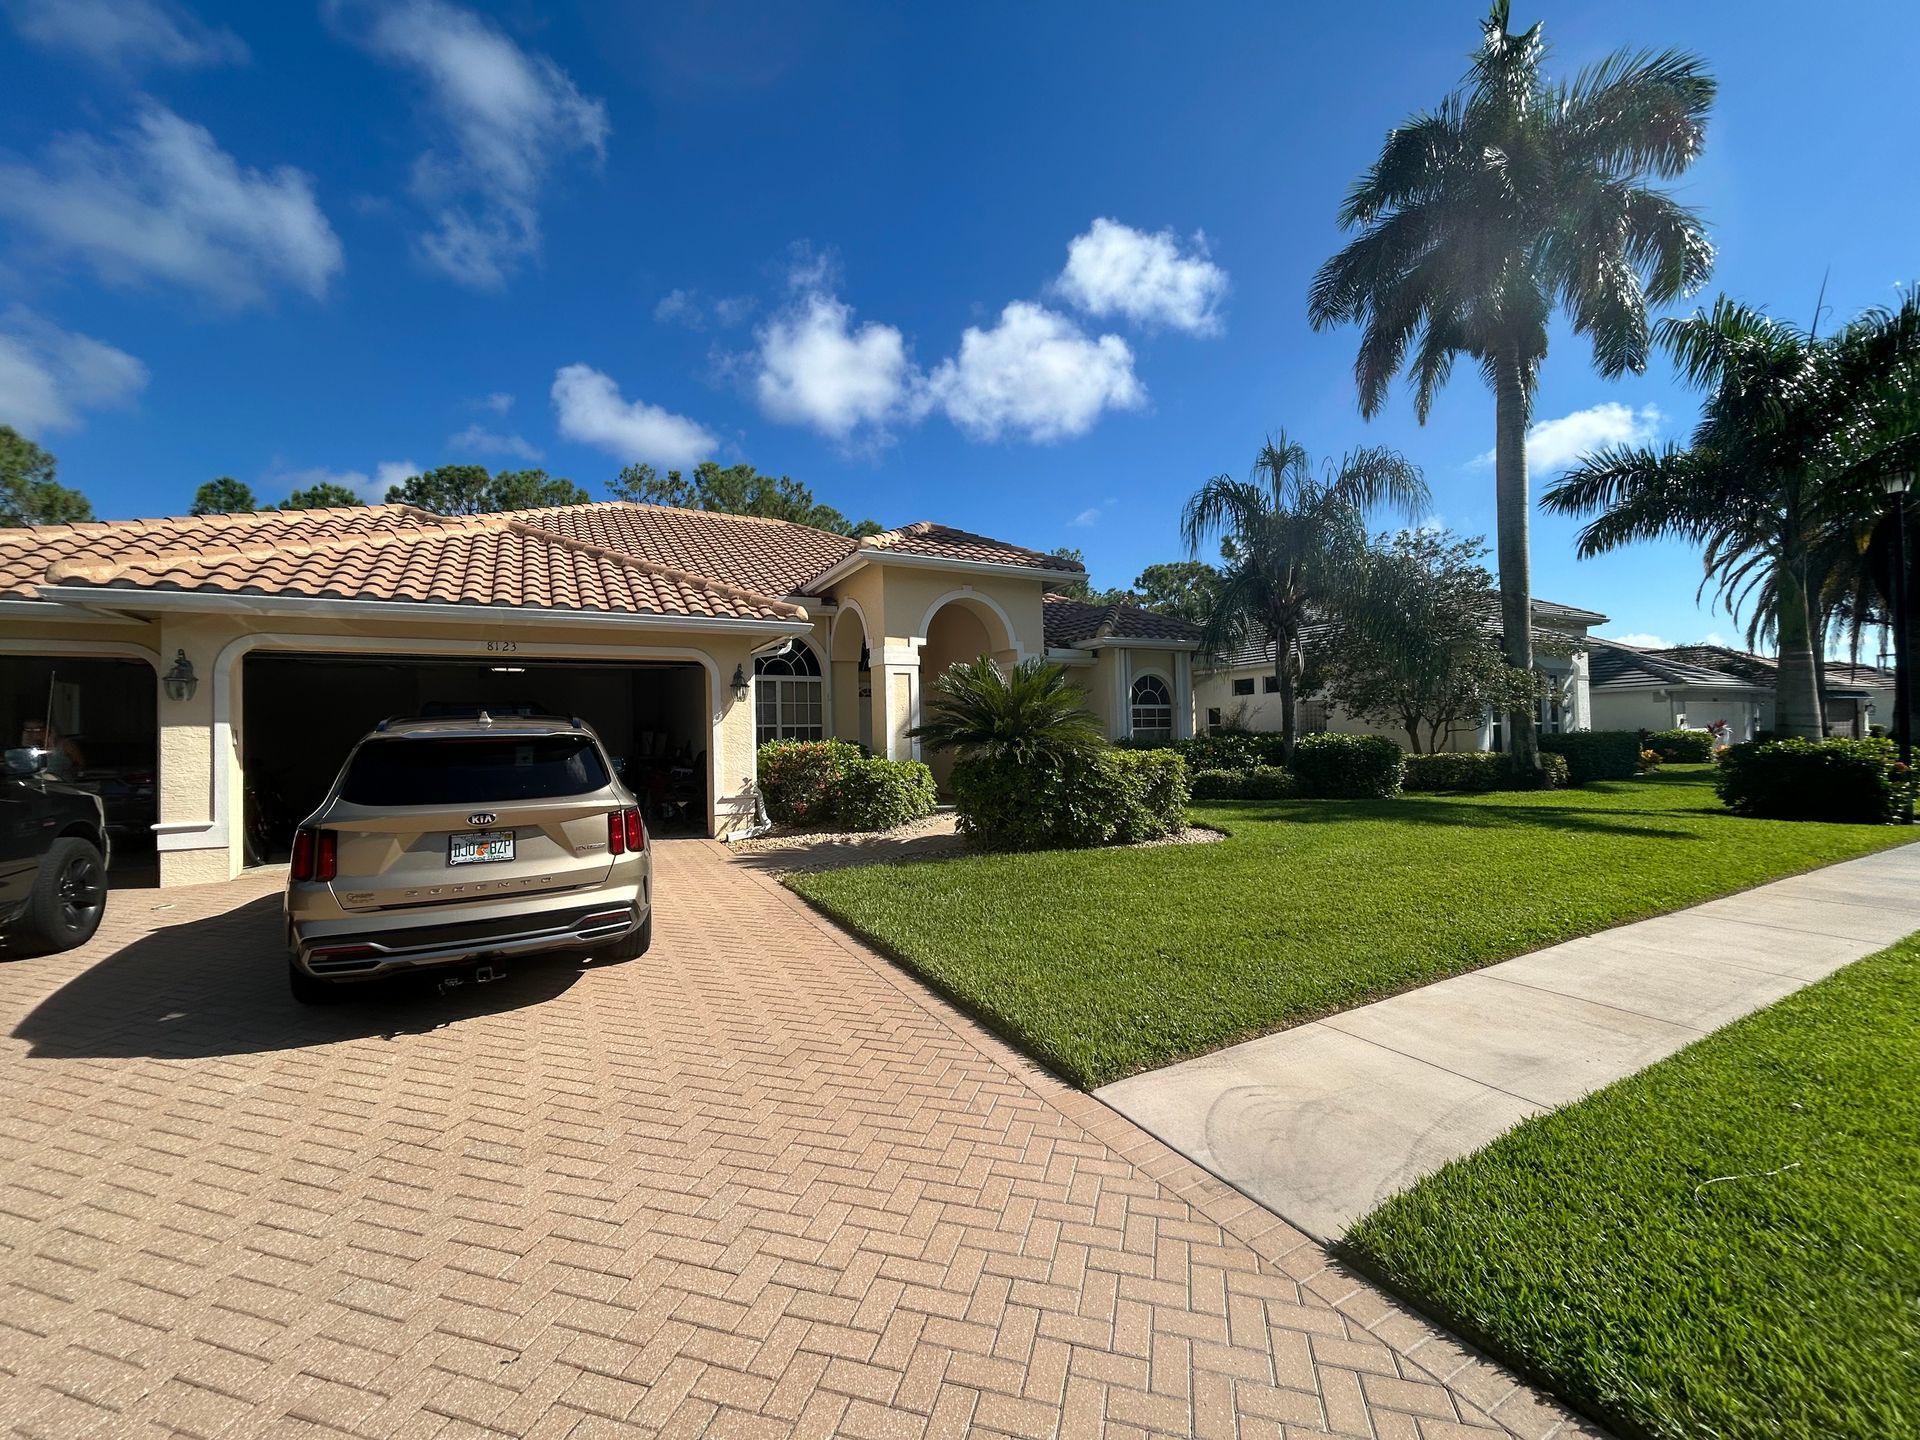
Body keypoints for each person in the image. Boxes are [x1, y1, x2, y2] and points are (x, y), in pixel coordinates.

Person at [18, 718, 84, 780]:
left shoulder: (65, 745)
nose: (31, 733)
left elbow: (81, 765)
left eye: (36, 730)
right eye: (28, 730)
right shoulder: (27, 748)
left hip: (61, 785)